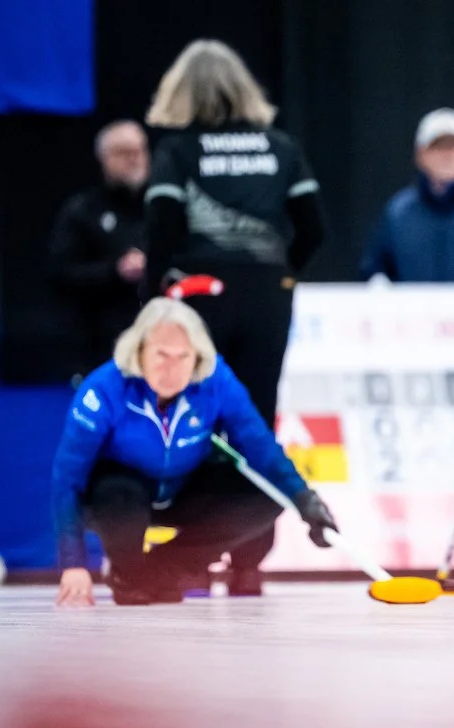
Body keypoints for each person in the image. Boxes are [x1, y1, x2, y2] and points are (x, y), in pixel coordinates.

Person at [143, 39, 327, 594]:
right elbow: (315, 229)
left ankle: (191, 557)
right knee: (255, 423)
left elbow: (161, 233)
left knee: (196, 423)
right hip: (268, 295)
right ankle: (250, 562)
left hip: (199, 299)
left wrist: (155, 303)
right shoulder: (282, 148)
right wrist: (282, 273)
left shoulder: (179, 151)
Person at [52, 297, 337, 608]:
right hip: (120, 498)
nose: (171, 369)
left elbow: (259, 444)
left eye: (182, 356)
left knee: (268, 495)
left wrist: (305, 501)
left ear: (197, 357)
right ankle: (129, 570)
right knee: (116, 491)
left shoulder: (216, 380)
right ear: (139, 351)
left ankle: (162, 569)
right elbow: (68, 477)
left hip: (185, 487)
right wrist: (73, 563)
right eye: (161, 354)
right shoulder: (103, 389)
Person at [48, 120, 150, 375]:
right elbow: (60, 273)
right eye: (125, 152)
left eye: (140, 150)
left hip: (158, 341)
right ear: (104, 157)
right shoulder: (83, 211)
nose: (135, 159)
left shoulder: (161, 206)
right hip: (99, 345)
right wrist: (115, 271)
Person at [359, 108, 454, 283]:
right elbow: (374, 270)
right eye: (437, 146)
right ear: (420, 155)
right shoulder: (399, 212)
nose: (447, 155)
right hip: (411, 310)